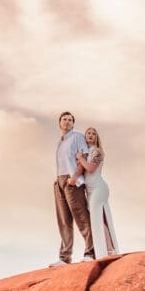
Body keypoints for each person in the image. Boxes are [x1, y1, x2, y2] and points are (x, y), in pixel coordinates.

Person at [50, 111, 94, 266]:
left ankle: (90, 252)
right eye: (64, 120)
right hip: (59, 181)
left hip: (72, 181)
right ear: (59, 123)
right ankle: (64, 257)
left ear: (73, 123)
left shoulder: (77, 137)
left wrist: (75, 178)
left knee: (81, 217)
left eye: (70, 120)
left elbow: (83, 158)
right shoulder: (59, 141)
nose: (67, 122)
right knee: (63, 220)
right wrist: (57, 180)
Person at [75, 126, 120, 258]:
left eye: (93, 134)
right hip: (89, 190)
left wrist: (80, 158)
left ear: (96, 137)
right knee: (97, 220)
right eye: (88, 133)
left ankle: (110, 249)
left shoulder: (98, 152)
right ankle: (104, 250)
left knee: (99, 219)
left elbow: (90, 169)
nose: (90, 135)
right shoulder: (86, 152)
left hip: (98, 188)